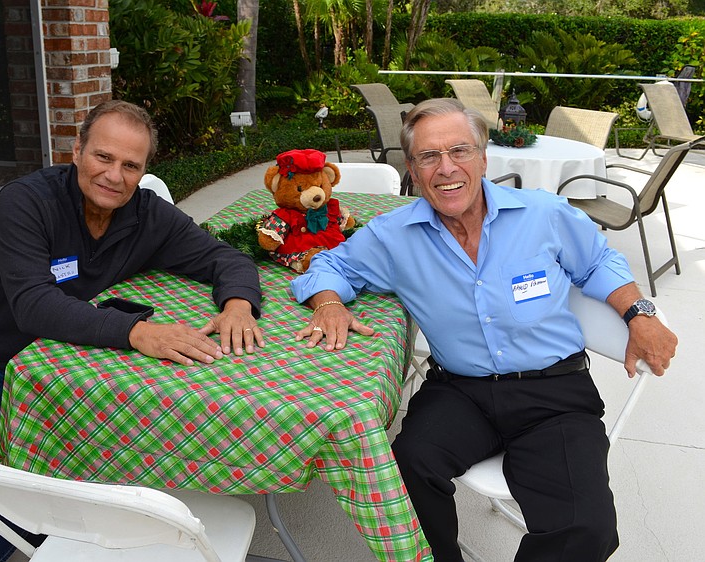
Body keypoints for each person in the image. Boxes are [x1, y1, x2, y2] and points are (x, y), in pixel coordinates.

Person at [290, 98, 677, 561]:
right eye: (429, 156)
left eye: (459, 151)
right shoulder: (393, 234)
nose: (446, 168)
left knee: (586, 528)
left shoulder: (542, 214)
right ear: (411, 169)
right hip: (460, 390)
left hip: (554, 392)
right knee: (406, 468)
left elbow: (598, 262)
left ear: (483, 157)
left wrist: (641, 313)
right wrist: (330, 302)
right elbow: (329, 264)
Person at [0, 100, 265, 562]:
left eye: (130, 165)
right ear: (77, 151)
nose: (115, 175)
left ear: (143, 171)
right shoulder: (26, 202)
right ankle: (23, 549)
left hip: (102, 370)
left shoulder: (148, 214)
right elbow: (33, 305)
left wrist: (237, 303)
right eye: (103, 157)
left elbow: (225, 257)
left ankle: (92, 534)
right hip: (3, 363)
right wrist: (138, 333)